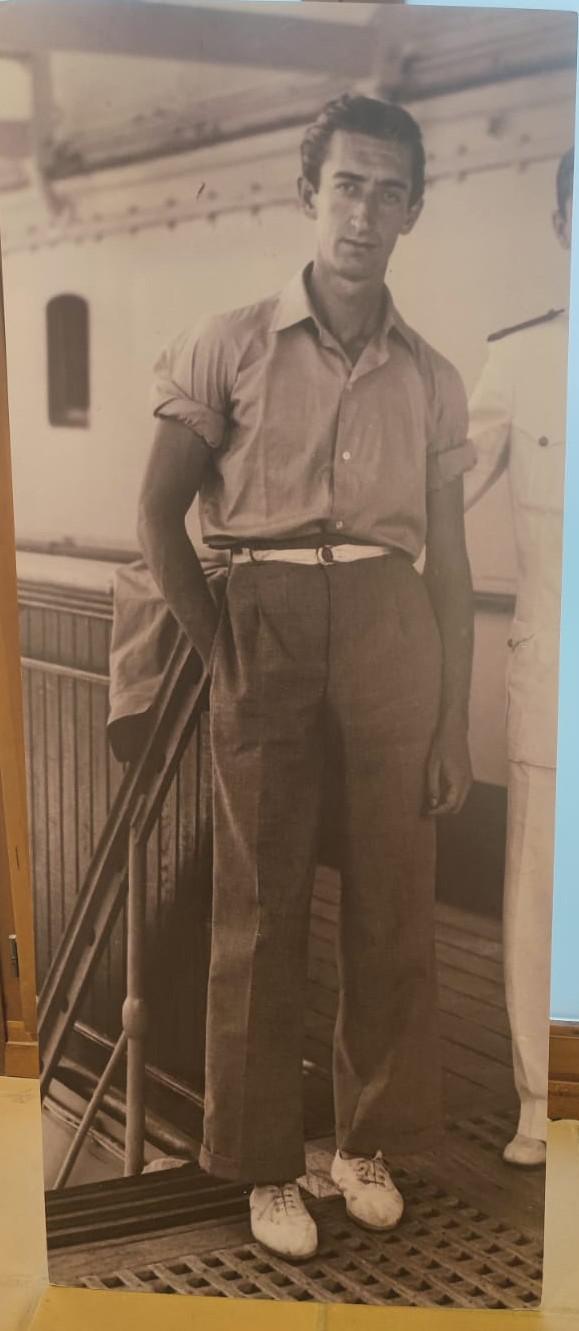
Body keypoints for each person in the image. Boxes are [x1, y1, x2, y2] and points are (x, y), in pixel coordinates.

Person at [138, 94, 475, 1261]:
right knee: (262, 902)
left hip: (392, 626)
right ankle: (266, 1162)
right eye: (347, 186)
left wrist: (452, 721)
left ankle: (365, 1140)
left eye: (390, 191)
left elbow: (450, 560)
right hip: (264, 618)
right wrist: (220, 645)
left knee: (394, 897)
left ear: (413, 210)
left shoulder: (433, 377)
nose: (364, 212)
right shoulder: (228, 342)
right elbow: (157, 513)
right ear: (308, 195)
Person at [465, 148, 574, 1169]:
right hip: (557, 672)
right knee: (541, 880)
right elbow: (432, 498)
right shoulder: (522, 362)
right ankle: (545, 1100)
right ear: (561, 225)